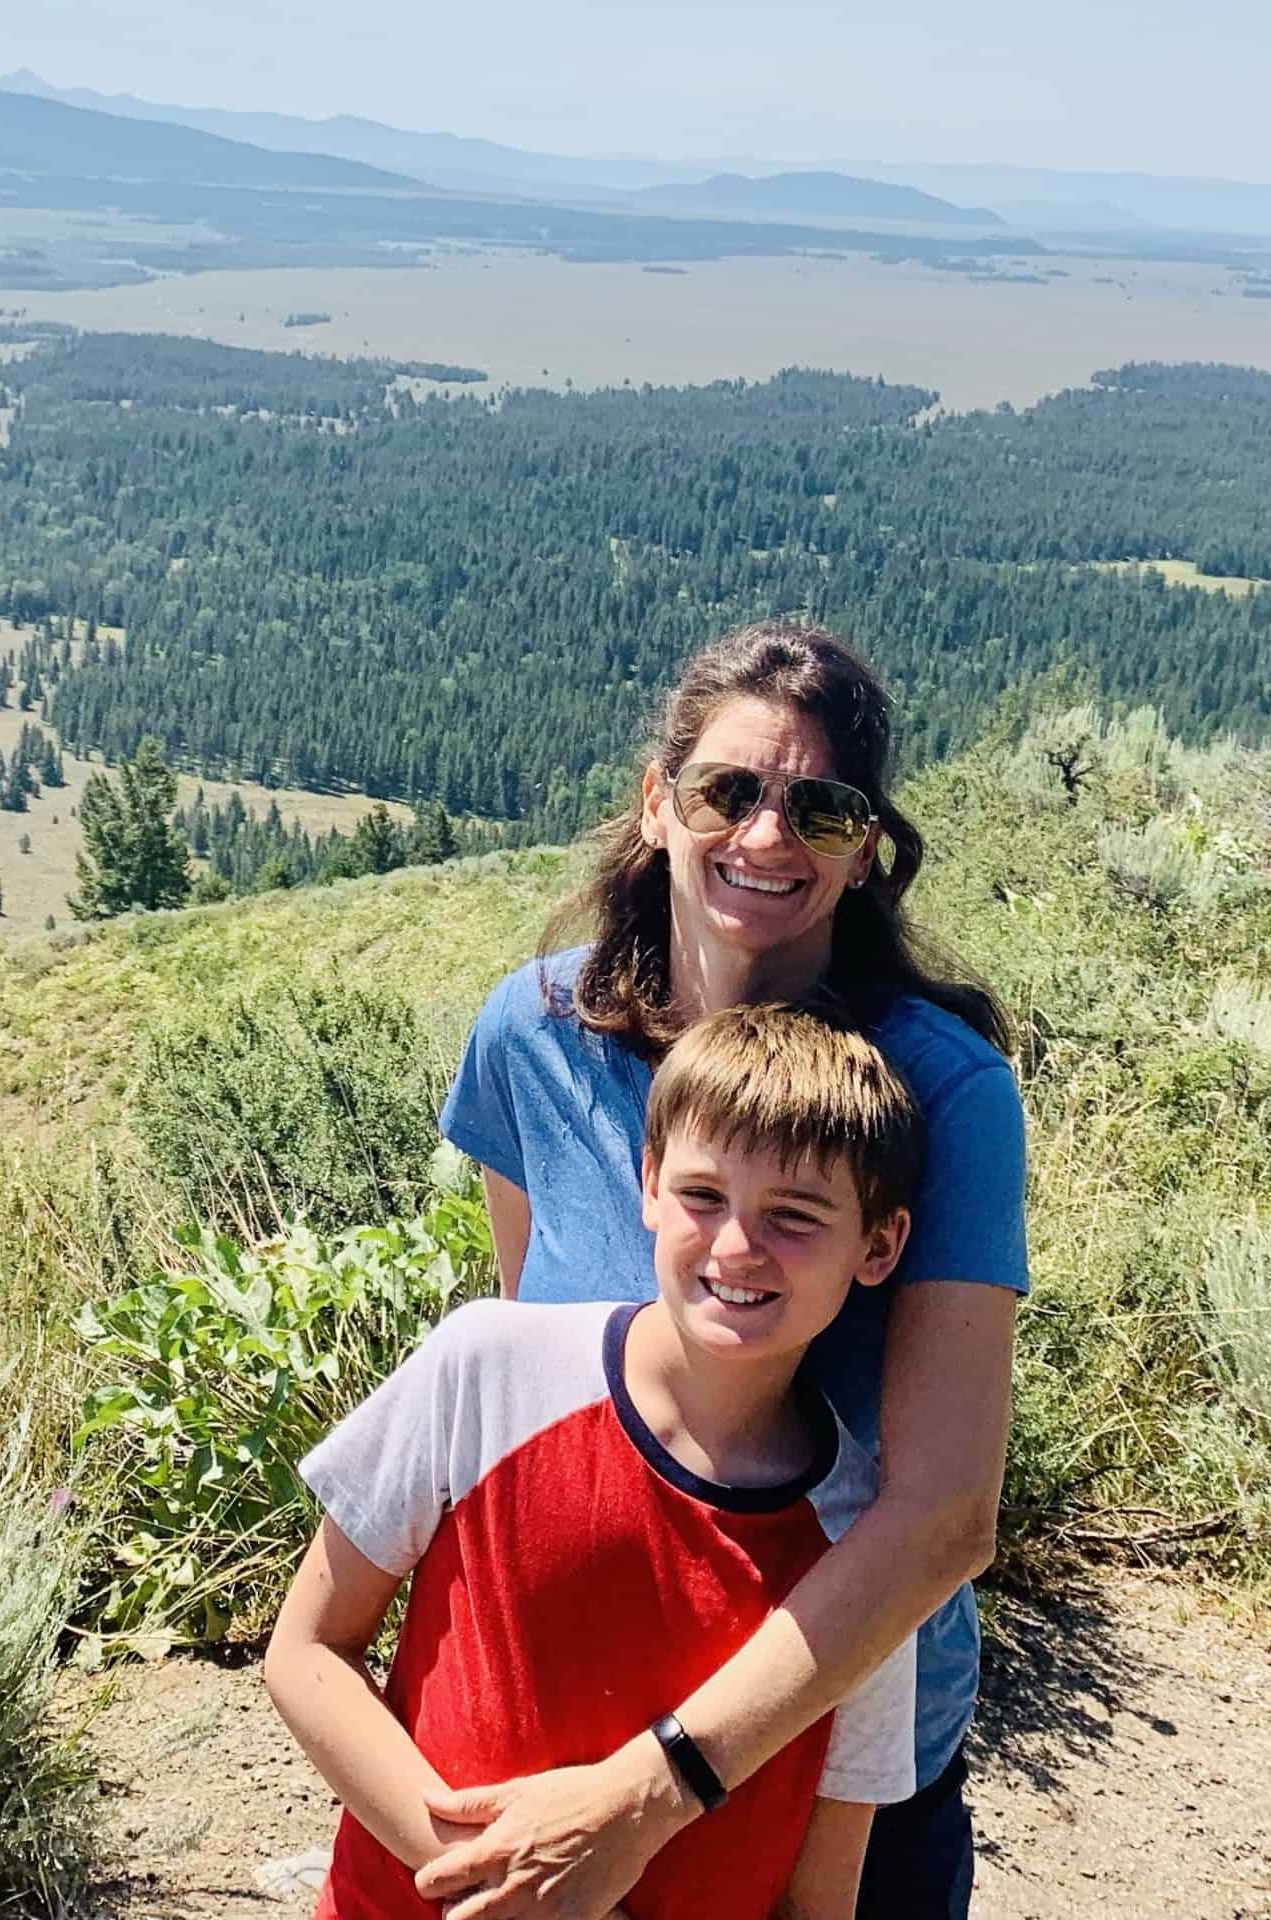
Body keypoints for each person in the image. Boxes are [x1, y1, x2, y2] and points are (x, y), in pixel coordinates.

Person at [419, 620, 1027, 1920]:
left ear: (866, 847)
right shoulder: (531, 1037)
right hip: (569, 1728)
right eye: (726, 791)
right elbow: (539, 1378)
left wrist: (651, 1792)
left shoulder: (943, 1093)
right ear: (657, 804)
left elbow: (943, 1516)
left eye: (821, 808)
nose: (766, 835)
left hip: (835, 1769)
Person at [266, 1004, 928, 1919]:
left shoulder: (869, 1554)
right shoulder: (489, 1367)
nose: (737, 1245)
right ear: (649, 1182)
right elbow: (307, 1652)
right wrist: (511, 1886)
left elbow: (818, 1896)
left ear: (879, 1244)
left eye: (794, 1215)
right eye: (704, 1196)